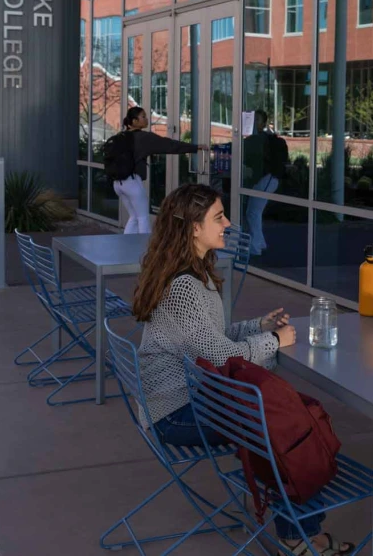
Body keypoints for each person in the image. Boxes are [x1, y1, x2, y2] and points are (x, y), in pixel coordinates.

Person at [132, 184, 354, 556]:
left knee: (284, 421)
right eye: (219, 217)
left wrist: (259, 327)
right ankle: (299, 537)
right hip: (172, 413)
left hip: (187, 398)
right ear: (192, 228)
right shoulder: (185, 285)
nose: (229, 223)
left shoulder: (194, 273)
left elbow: (211, 340)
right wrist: (275, 342)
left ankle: (300, 530)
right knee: (281, 431)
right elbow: (221, 357)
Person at [113, 106, 208, 234]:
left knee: (134, 217)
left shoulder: (120, 136)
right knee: (143, 217)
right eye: (143, 117)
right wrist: (195, 148)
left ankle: (126, 246)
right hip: (132, 182)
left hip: (118, 183)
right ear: (134, 121)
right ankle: (146, 250)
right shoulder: (143, 137)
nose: (147, 119)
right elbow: (170, 145)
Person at [243, 109, 289, 255]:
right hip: (267, 179)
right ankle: (260, 243)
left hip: (268, 179)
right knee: (254, 211)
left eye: (257, 120)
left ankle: (255, 247)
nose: (254, 122)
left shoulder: (260, 139)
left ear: (263, 124)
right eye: (253, 119)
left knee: (253, 212)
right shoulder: (257, 139)